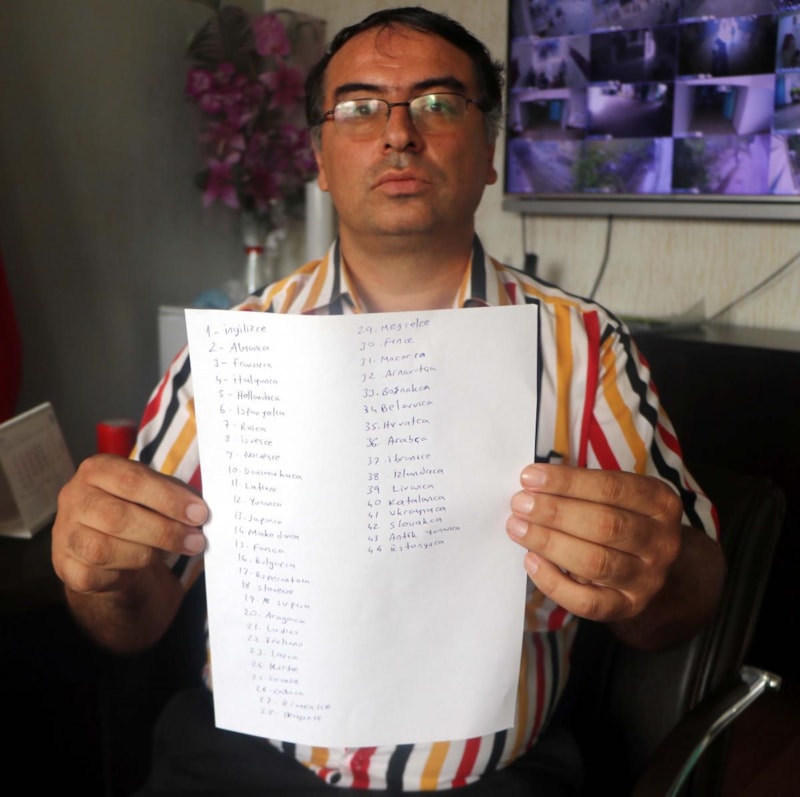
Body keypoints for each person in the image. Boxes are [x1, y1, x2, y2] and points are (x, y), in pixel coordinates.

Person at [52, 7, 725, 795]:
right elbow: (135, 616)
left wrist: (658, 567)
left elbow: (689, 591)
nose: (398, 133)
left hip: (491, 781)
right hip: (241, 769)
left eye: (438, 104)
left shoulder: (584, 344)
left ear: (490, 152)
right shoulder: (232, 349)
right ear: (320, 158)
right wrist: (97, 575)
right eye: (360, 109)